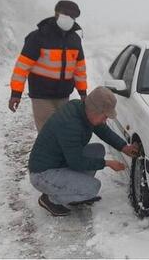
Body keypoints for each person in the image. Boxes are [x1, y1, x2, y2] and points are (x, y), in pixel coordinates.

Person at [28, 86, 139, 216]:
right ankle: (50, 199)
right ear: (95, 110)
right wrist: (107, 163)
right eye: (104, 116)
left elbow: (103, 130)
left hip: (60, 162)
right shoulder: (71, 125)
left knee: (98, 149)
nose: (105, 120)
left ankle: (75, 192)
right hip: (43, 174)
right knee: (93, 187)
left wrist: (123, 147)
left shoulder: (82, 109)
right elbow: (76, 162)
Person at [8, 0, 88, 131]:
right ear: (57, 14)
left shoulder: (75, 40)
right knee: (48, 133)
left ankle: (56, 152)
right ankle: (47, 152)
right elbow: (22, 68)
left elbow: (80, 70)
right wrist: (16, 93)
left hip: (63, 96)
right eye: (66, 14)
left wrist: (83, 93)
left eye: (73, 17)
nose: (70, 19)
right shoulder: (38, 37)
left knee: (62, 132)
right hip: (41, 96)